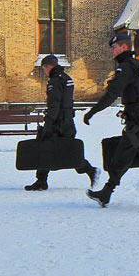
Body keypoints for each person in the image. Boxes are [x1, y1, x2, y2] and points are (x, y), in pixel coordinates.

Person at [83, 30, 139, 211]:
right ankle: (106, 193)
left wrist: (92, 112)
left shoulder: (127, 67)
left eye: (113, 48)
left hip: (137, 120)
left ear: (124, 47)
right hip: (137, 118)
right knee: (122, 157)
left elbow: (112, 93)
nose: (111, 51)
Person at [25, 54, 99, 191]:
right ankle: (89, 170)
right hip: (67, 120)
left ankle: (41, 181)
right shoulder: (66, 78)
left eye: (44, 69)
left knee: (45, 147)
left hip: (57, 121)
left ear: (48, 67)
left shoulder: (55, 81)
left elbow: (54, 104)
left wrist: (49, 124)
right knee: (68, 149)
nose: (45, 72)